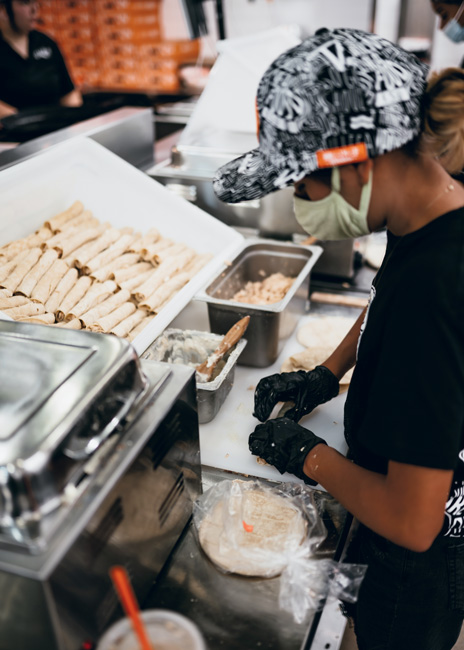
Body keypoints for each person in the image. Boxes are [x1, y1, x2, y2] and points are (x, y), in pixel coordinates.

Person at [213, 28, 464, 650]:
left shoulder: (437, 291)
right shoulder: (430, 207)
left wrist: (309, 457)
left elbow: (412, 522)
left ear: (355, 163)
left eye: (300, 184)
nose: (298, 204)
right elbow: (382, 300)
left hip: (420, 563)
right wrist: (328, 371)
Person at [0, 0, 82, 120]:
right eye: (25, 3)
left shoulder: (46, 42)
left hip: (55, 128)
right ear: (3, 10)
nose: (34, 10)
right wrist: (19, 121)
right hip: (13, 134)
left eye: (36, 2)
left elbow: (68, 92)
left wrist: (75, 121)